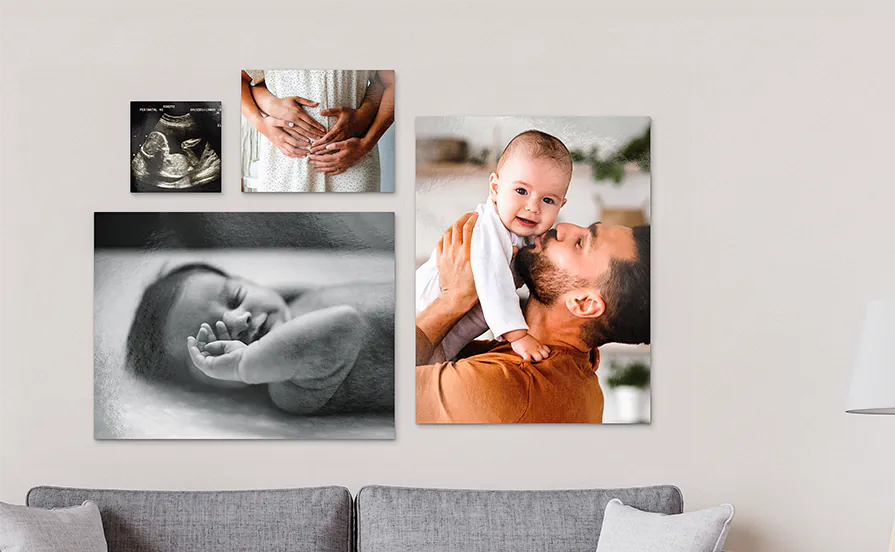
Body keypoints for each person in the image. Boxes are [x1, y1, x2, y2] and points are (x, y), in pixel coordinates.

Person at [415, 212, 650, 423]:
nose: (564, 226)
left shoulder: (506, 387)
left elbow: (380, 381)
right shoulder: (573, 373)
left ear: (584, 304)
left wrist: (453, 299)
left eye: (580, 243)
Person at [125, 263, 394, 415]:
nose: (240, 320)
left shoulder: (295, 303)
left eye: (235, 297)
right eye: (214, 337)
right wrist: (243, 363)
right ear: (208, 383)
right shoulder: (289, 389)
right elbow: (345, 324)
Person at [415, 130, 571, 364]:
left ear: (561, 205)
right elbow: (495, 282)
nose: (532, 207)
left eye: (548, 200)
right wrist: (518, 335)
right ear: (495, 188)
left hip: (442, 342)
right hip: (418, 322)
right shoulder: (487, 229)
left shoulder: (524, 238)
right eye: (521, 191)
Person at [240, 69, 394, 192]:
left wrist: (366, 144)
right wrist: (261, 124)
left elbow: (392, 82)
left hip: (352, 161)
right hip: (285, 166)